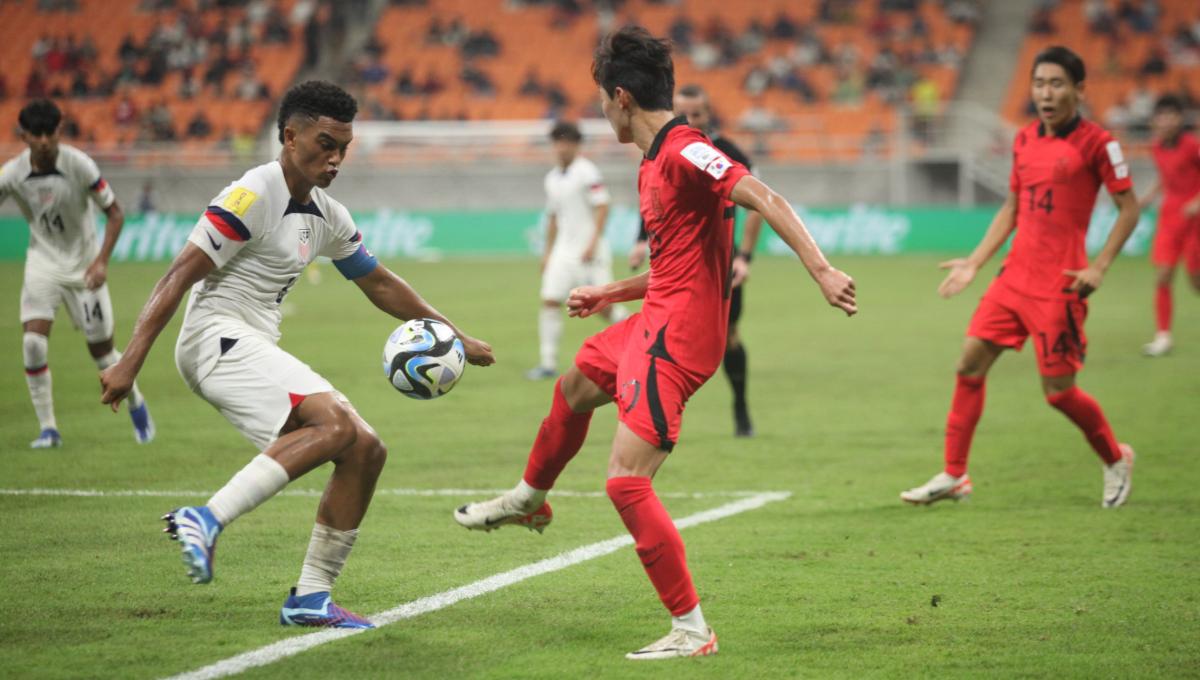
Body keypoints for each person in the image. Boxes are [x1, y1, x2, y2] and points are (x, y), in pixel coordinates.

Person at [453, 27, 856, 660]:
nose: (599, 113)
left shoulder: (686, 151)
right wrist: (611, 292)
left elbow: (764, 196)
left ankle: (692, 630)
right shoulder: (652, 161)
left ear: (620, 98)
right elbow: (676, 266)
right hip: (656, 318)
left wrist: (823, 269)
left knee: (626, 483)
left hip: (679, 338)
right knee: (575, 385)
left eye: (601, 102)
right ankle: (529, 501)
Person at [98, 81, 494, 628]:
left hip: (252, 342)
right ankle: (206, 518)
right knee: (335, 424)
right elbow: (179, 275)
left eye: (344, 149)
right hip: (215, 336)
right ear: (290, 136)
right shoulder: (251, 194)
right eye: (325, 143)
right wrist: (130, 361)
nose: (335, 159)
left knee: (367, 450)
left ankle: (309, 598)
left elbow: (378, 283)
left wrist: (456, 335)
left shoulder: (326, 212)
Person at [899, 46, 1140, 509]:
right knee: (969, 365)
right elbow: (1012, 207)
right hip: (1013, 279)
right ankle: (954, 475)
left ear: (1079, 90)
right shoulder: (1025, 139)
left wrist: (1101, 265)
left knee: (1058, 393)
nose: (1046, 94)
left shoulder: (1098, 144)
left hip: (1061, 285)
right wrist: (974, 262)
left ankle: (1115, 457)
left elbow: (1129, 209)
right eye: (1039, 84)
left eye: (1056, 84)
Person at [0, 99, 153, 448]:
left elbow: (115, 213)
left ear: (59, 131)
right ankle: (48, 429)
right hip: (43, 264)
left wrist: (101, 262)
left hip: (85, 267)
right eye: (34, 134)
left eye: (48, 134)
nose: (42, 141)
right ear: (23, 136)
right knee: (33, 344)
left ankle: (136, 402)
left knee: (103, 354)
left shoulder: (80, 165)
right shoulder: (12, 173)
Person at [630, 84, 764, 436]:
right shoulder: (662, 151)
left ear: (709, 115)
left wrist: (745, 257)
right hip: (675, 270)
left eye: (698, 114)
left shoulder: (726, 153)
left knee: (729, 337)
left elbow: (757, 207)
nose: (691, 120)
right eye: (683, 113)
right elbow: (654, 199)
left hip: (720, 267)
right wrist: (640, 240)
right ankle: (655, 419)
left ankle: (741, 407)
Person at [528, 120, 625, 380]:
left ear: (576, 146)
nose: (561, 148)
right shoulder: (552, 178)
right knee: (549, 300)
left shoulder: (587, 172)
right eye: (557, 142)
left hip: (589, 253)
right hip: (563, 252)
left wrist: (593, 242)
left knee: (603, 308)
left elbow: (603, 205)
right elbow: (552, 217)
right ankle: (548, 363)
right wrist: (547, 253)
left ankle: (640, 338)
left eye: (566, 143)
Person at [1137, 94, 1200, 357]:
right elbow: (1167, 177)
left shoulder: (1192, 146)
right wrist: (1147, 197)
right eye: (1160, 116)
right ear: (1154, 121)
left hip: (1195, 219)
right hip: (1169, 218)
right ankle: (1163, 336)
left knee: (1195, 279)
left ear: (1179, 119)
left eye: (1170, 115)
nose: (1165, 121)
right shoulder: (1157, 147)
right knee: (1163, 275)